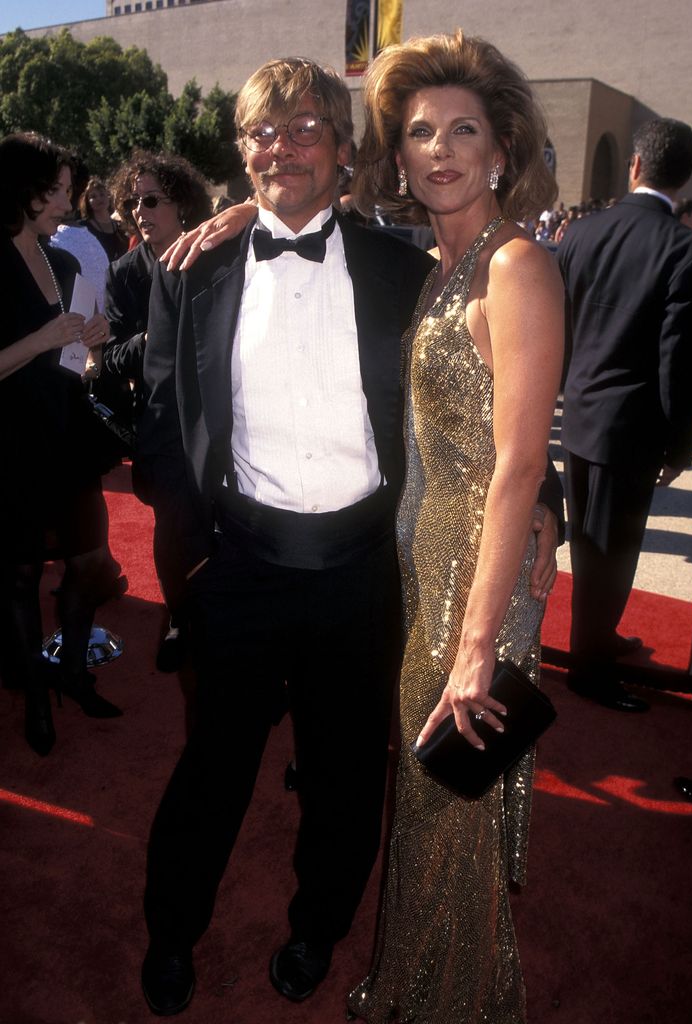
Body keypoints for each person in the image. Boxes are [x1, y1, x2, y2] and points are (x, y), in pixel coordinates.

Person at [136, 54, 563, 1018]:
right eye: (260, 133)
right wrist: (192, 564)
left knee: (342, 781)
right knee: (211, 771)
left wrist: (549, 497)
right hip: (239, 566)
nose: (279, 149)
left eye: (302, 131)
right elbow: (166, 428)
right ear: (241, 153)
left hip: (364, 575)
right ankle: (172, 931)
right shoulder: (193, 268)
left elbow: (494, 399)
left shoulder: (404, 268)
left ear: (342, 150)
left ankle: (316, 929)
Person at [330, 31, 563, 1022]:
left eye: (462, 129)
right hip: (426, 561)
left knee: (444, 800)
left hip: (479, 575)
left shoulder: (513, 267)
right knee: (429, 804)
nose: (438, 148)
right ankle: (421, 984)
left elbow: (516, 464)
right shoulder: (437, 263)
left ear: (500, 148)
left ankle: (452, 998)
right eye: (419, 131)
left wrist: (477, 643)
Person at [559, 118, 692, 713]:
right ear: (682, 176)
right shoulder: (688, 251)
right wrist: (679, 444)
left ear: (635, 166)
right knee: (615, 550)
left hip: (579, 415)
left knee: (594, 547)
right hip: (633, 428)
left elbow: (563, 326)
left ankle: (597, 639)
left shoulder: (581, 232)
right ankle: (589, 671)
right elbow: (681, 360)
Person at [0, 132, 122, 757]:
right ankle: (36, 698)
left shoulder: (67, 260)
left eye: (69, 189)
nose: (67, 202)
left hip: (68, 433)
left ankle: (73, 670)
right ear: (22, 190)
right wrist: (44, 339)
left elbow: (83, 361)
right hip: (13, 443)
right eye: (56, 190)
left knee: (87, 560)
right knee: (20, 573)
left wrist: (93, 342)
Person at [103, 151, 212, 670]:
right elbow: (113, 357)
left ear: (180, 204)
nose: (140, 212)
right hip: (162, 424)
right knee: (171, 525)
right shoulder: (126, 272)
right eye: (133, 203)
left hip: (215, 422)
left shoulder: (212, 256)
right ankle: (178, 615)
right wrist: (160, 330)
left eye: (151, 200)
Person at [79, 177, 128, 262]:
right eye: (93, 196)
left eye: (102, 194)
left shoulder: (121, 226)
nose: (99, 198)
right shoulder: (84, 228)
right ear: (87, 202)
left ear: (108, 196)